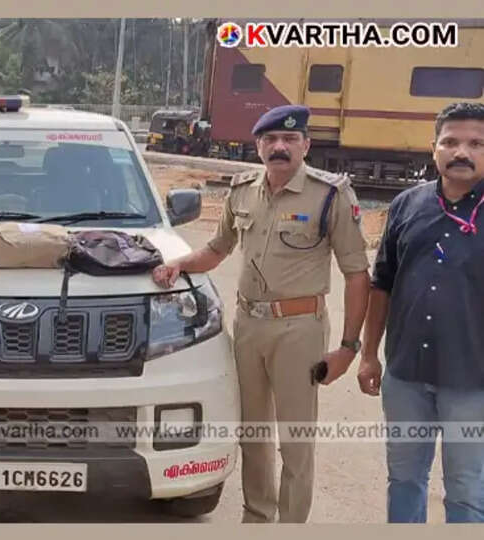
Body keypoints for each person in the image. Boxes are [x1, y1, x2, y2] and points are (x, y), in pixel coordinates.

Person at [152, 105, 371, 523]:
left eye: (290, 140)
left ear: (306, 144)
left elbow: (357, 273)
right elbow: (218, 249)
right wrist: (180, 264)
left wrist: (348, 347)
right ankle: (257, 518)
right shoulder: (242, 190)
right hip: (249, 325)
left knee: (295, 439)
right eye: (270, 140)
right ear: (258, 146)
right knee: (252, 434)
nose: (279, 147)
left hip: (299, 330)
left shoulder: (330, 195)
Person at [359, 102, 484, 523]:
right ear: (434, 149)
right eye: (450, 142)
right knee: (405, 479)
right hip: (406, 375)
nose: (461, 152)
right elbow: (384, 283)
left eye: (476, 143)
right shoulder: (406, 205)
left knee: (467, 491)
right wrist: (368, 353)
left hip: (473, 382)